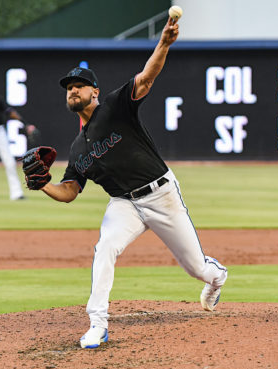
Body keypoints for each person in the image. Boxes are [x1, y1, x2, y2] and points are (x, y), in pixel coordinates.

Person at [37, 17, 227, 349]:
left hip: (161, 193)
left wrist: (164, 43)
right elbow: (69, 191)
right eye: (69, 88)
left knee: (196, 268)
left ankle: (217, 276)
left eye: (79, 85)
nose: (73, 91)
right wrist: (42, 185)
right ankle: (97, 323)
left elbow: (147, 77)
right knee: (104, 248)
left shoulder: (115, 106)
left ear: (94, 91)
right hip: (124, 204)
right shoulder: (77, 148)